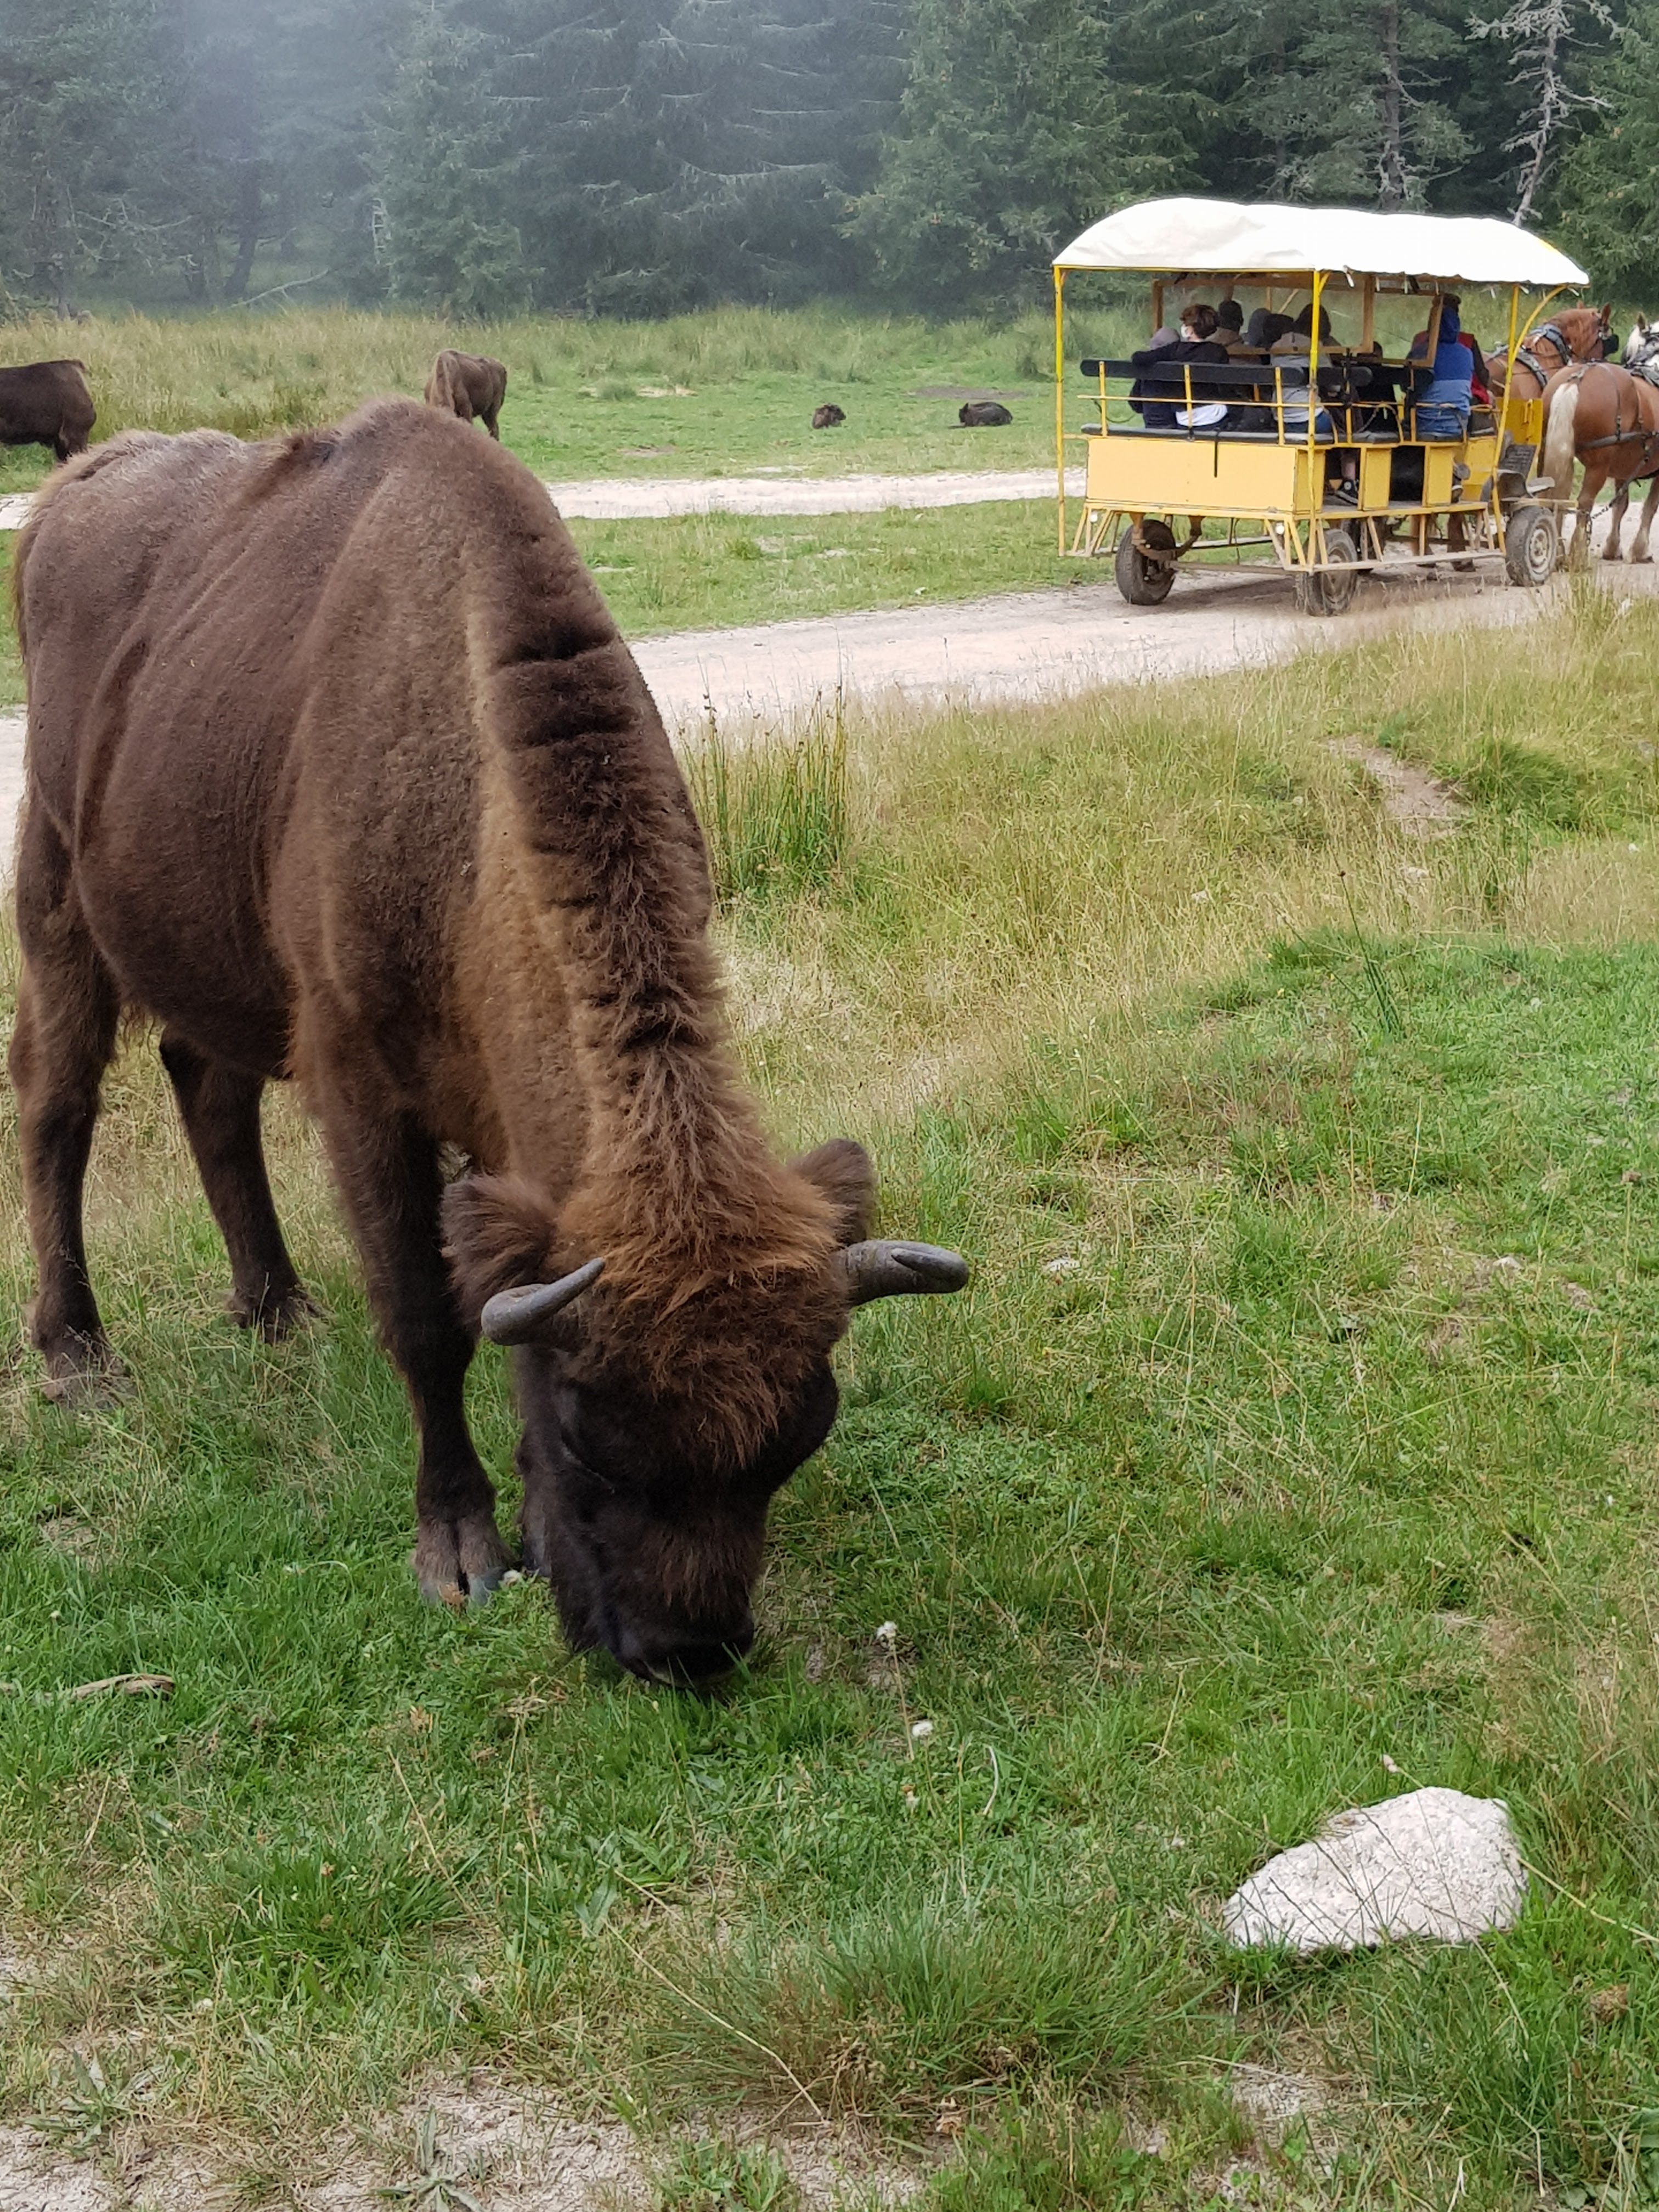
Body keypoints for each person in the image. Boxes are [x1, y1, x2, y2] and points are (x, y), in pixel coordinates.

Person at [1130, 306, 1229, 430]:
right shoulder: (1219, 351)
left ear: (1190, 330)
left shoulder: (1175, 350)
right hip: (1214, 414)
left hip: (1185, 417)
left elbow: (1138, 358)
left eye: (1185, 324)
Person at [1408, 297, 1474, 437]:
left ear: (1433, 326)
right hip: (1459, 425)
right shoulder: (1467, 353)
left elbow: (1406, 384)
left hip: (1425, 424)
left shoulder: (1421, 352)